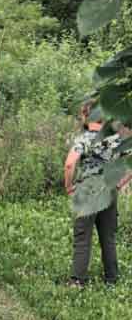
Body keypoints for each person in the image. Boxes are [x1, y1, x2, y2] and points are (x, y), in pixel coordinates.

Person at [64, 100, 132, 287]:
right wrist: (119, 184)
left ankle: (77, 280)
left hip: (87, 190)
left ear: (86, 115)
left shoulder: (84, 138)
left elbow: (70, 164)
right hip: (108, 190)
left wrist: (69, 186)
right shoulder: (116, 139)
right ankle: (112, 278)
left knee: (82, 237)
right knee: (108, 237)